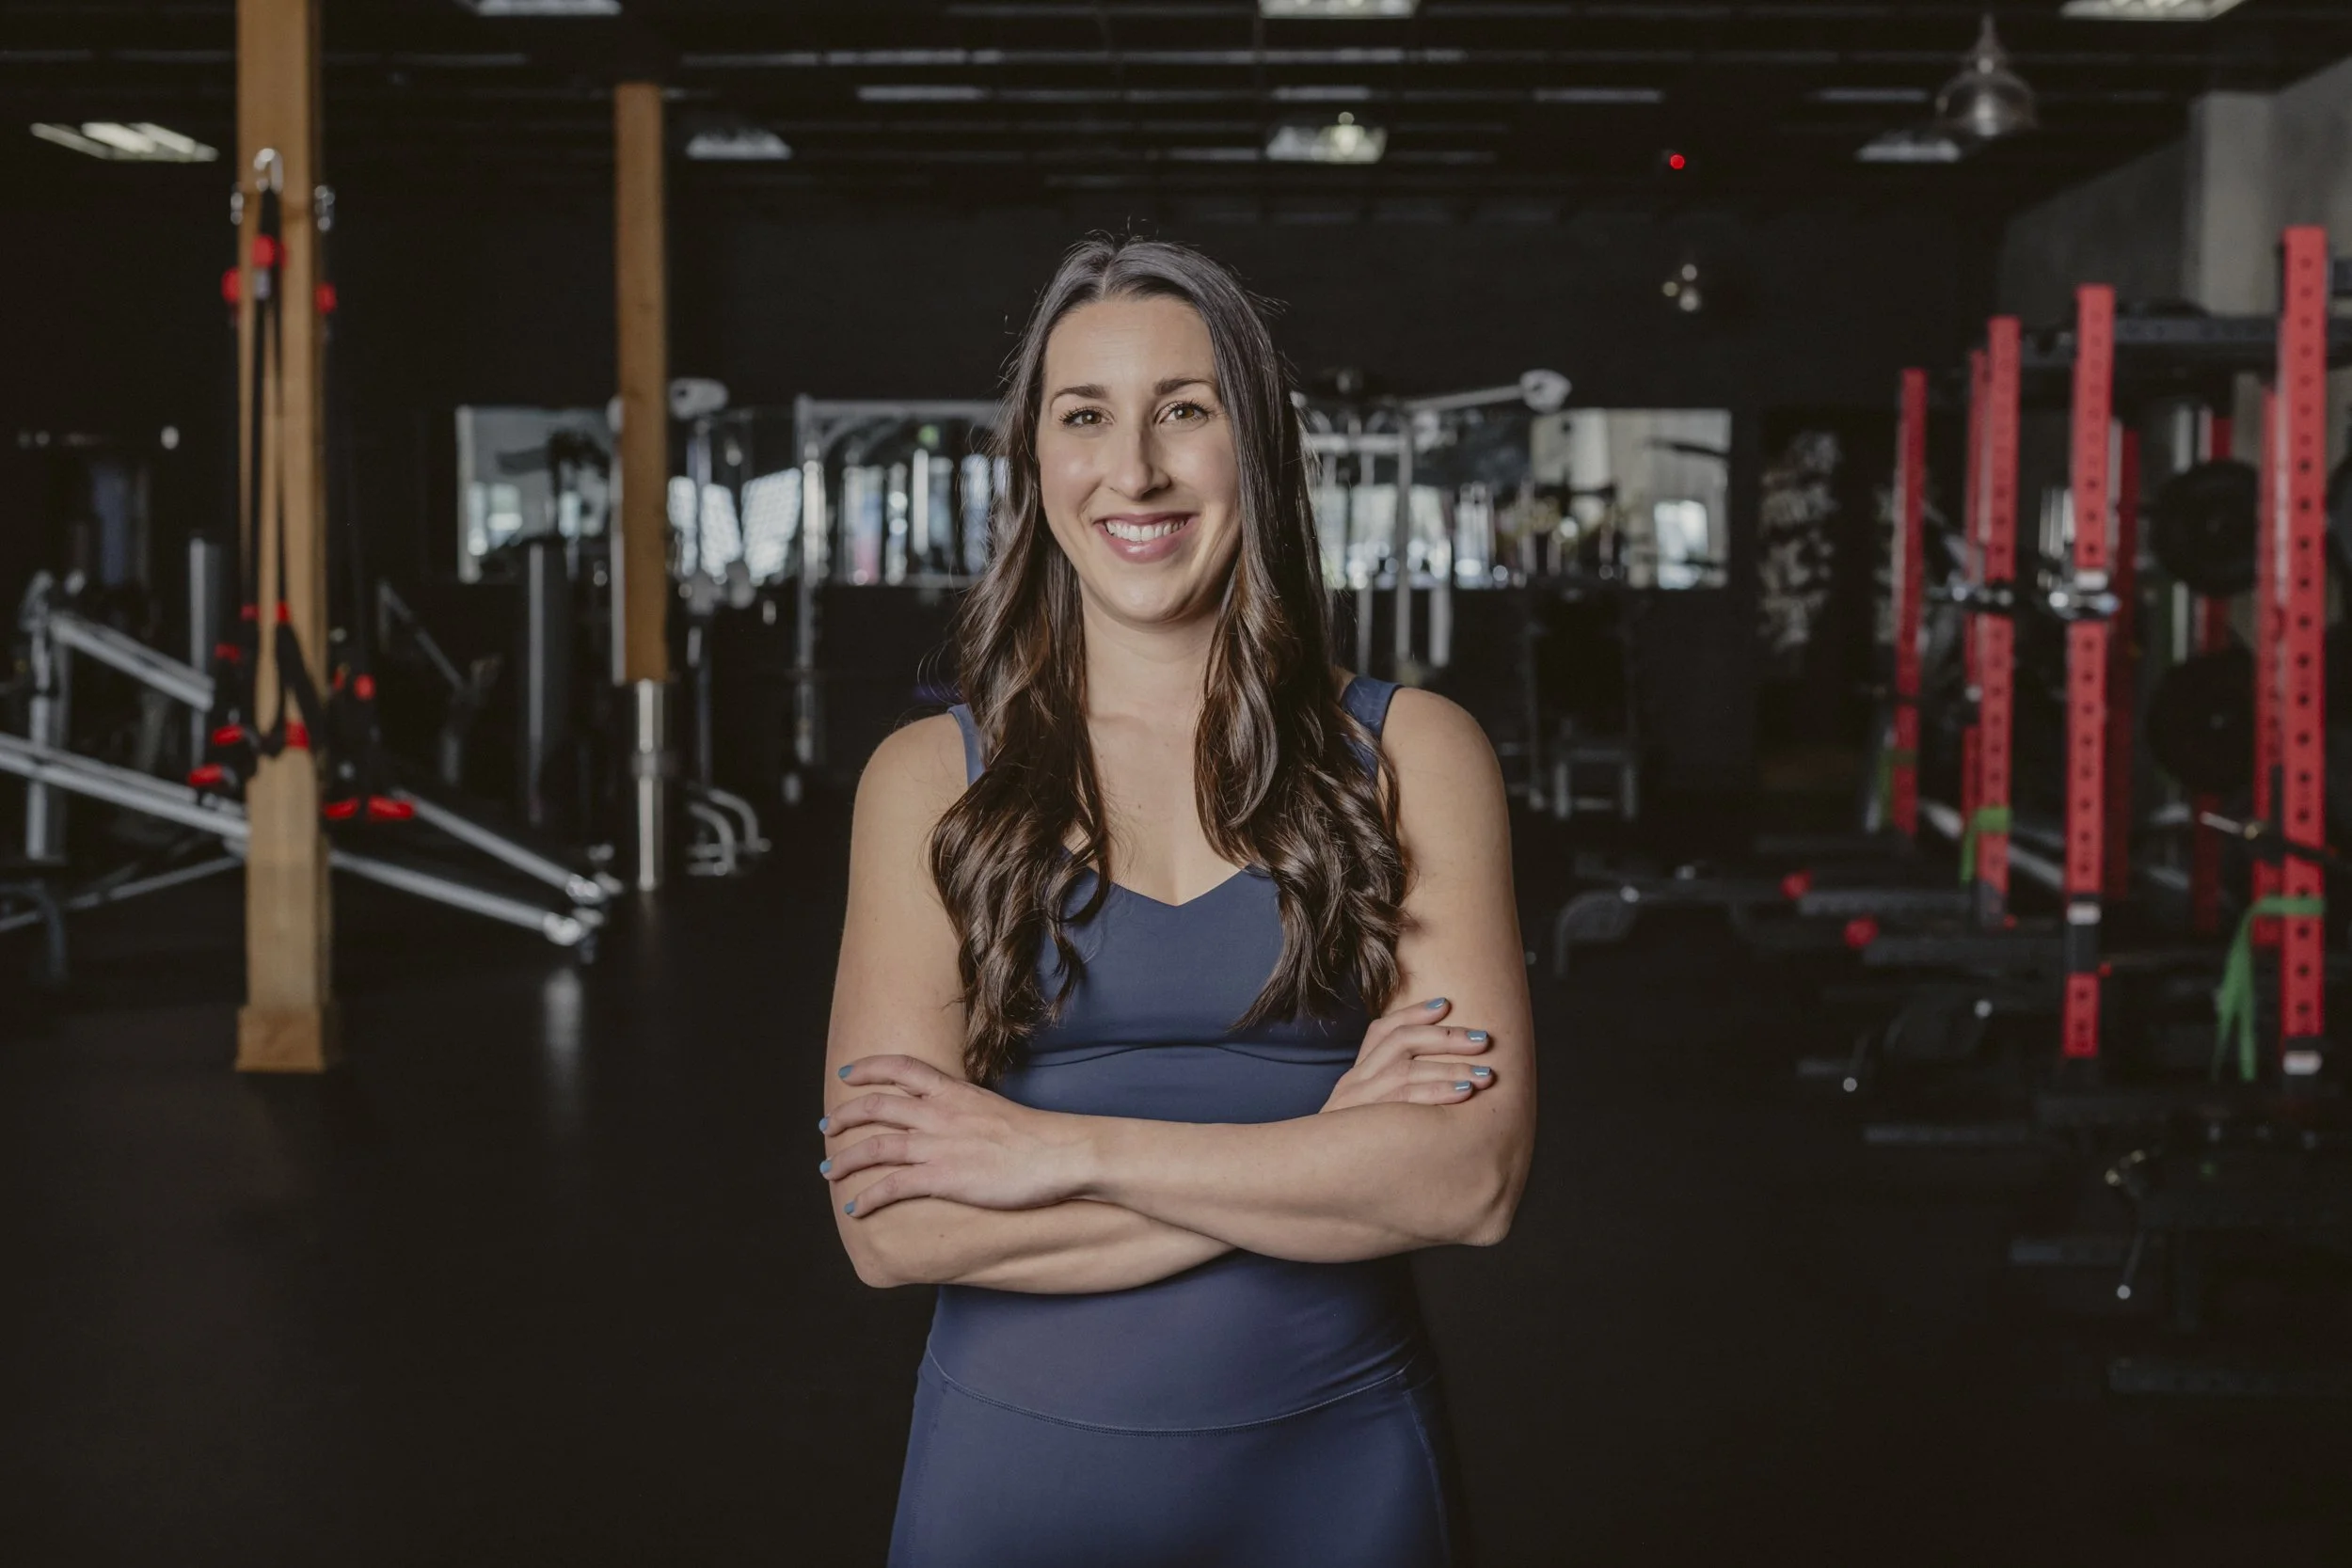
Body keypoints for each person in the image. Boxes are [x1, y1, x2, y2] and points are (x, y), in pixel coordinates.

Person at [818, 236, 1536, 1567]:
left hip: (1338, 1480)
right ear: (1036, 461)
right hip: (1009, 1488)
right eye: (1084, 415)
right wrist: (1328, 1154)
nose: (1134, 469)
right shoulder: (927, 781)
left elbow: (1466, 1179)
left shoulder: (1413, 757)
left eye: (1185, 411)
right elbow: (892, 1220)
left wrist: (1063, 1149)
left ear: (1254, 446)